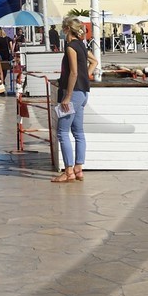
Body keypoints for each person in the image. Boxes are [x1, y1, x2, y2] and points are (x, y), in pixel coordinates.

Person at [53, 17, 92, 183]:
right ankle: (78, 168)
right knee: (78, 133)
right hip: (83, 92)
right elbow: (94, 61)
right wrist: (86, 77)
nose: (62, 31)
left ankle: (68, 171)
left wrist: (67, 96)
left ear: (67, 29)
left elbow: (74, 73)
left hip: (73, 94)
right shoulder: (81, 45)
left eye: (63, 28)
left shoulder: (70, 47)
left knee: (62, 132)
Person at [0, 32, 17, 96]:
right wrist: (12, 53)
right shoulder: (8, 39)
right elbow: (11, 48)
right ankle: (3, 81)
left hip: (0, 56)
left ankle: (1, 83)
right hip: (6, 56)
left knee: (0, 70)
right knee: (5, 70)